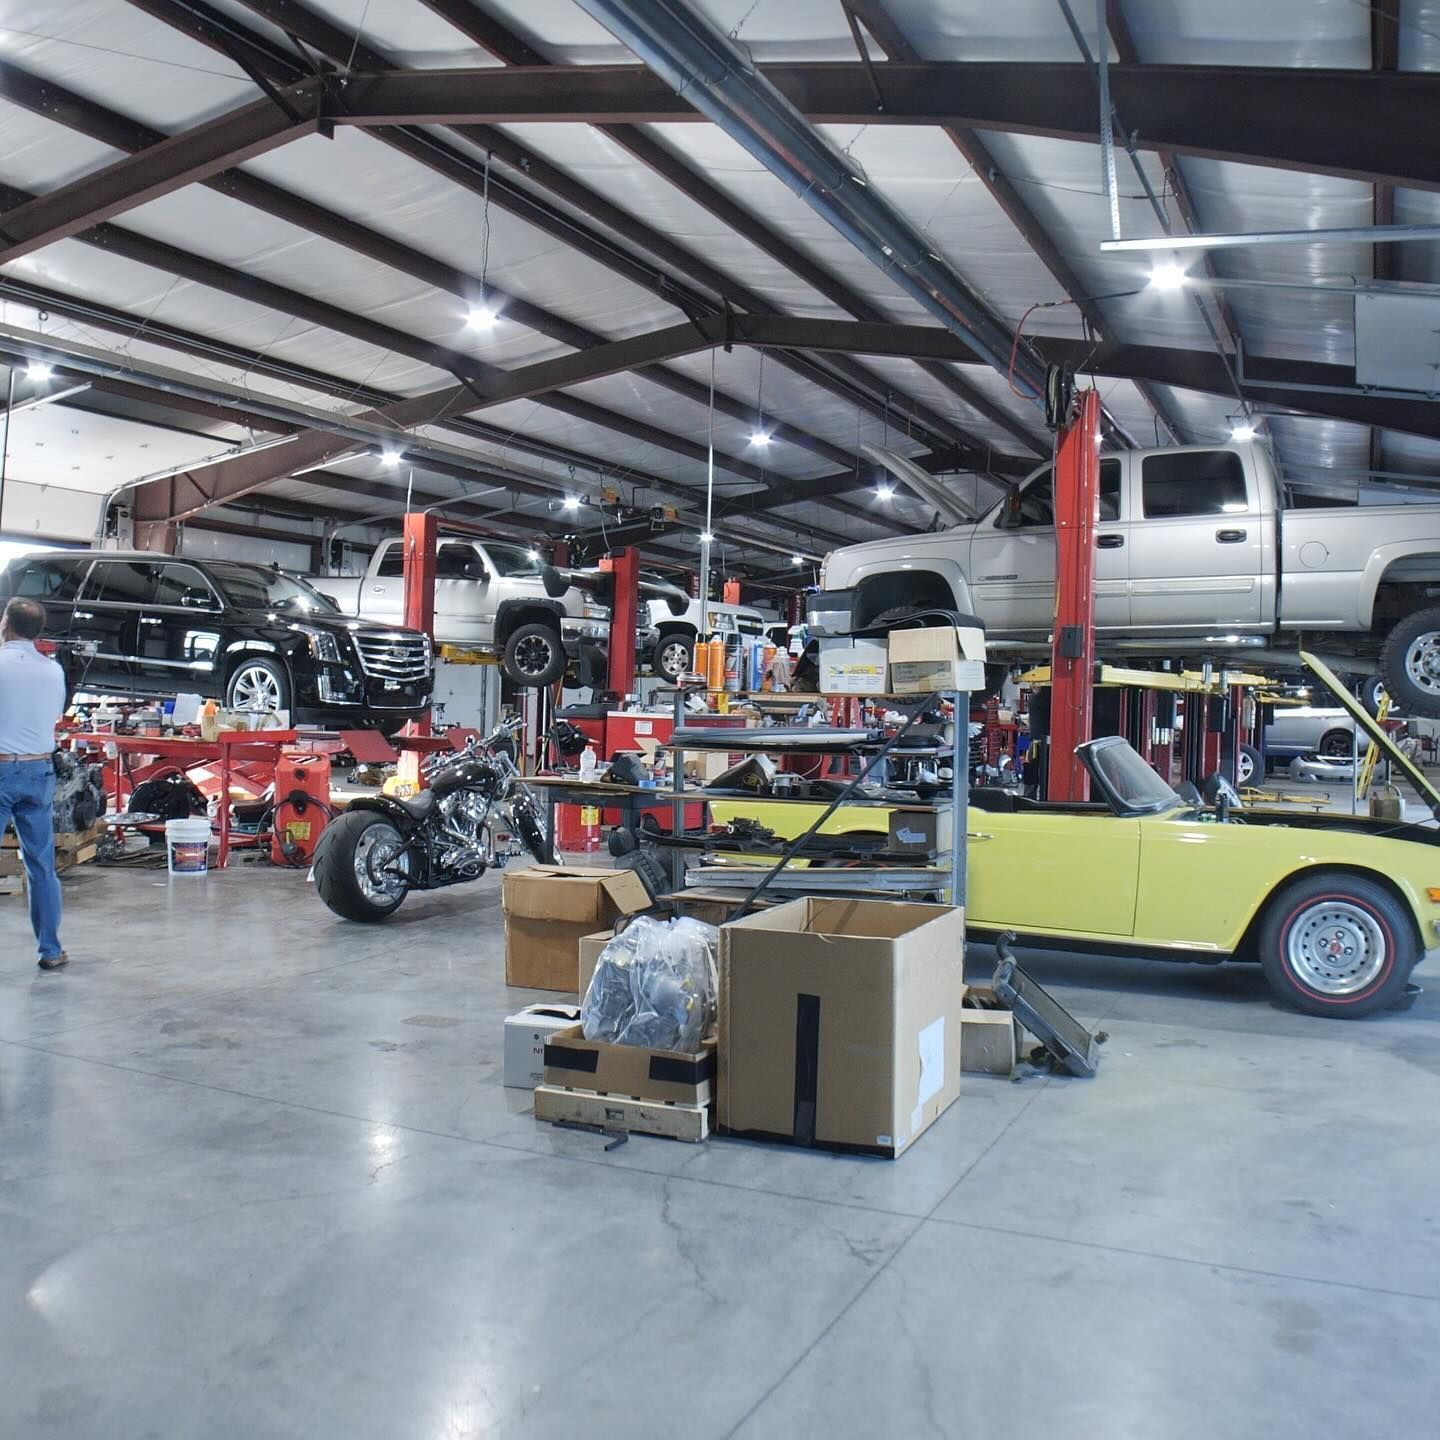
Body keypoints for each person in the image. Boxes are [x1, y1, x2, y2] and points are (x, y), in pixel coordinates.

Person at [0, 596, 68, 970]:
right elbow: (53, 715)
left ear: (5, 623)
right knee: (41, 866)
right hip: (38, 771)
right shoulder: (52, 671)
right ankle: (51, 950)